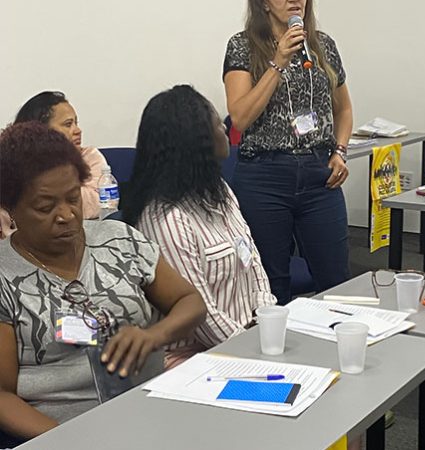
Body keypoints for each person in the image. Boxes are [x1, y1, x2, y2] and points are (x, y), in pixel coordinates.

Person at [0, 122, 207, 446]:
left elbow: (190, 301)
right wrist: (72, 440)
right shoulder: (4, 276)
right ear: (10, 208)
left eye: (73, 198)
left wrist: (155, 334)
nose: (66, 215)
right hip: (66, 432)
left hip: (152, 413)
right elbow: (2, 396)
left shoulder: (118, 240)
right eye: (45, 207)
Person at [122, 85, 277, 368]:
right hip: (195, 358)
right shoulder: (167, 219)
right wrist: (253, 351)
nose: (224, 128)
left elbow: (253, 262)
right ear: (195, 141)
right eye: (216, 123)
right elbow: (201, 317)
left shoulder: (219, 191)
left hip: (247, 338)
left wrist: (267, 321)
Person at [223, 0, 353, 304]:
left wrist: (340, 150)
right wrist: (278, 61)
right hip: (264, 176)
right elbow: (240, 118)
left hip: (320, 175)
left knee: (336, 278)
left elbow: (344, 109)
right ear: (264, 3)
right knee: (271, 283)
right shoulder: (242, 46)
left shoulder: (323, 45)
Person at [0, 91, 108, 240]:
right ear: (41, 130)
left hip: (83, 238)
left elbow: (97, 203)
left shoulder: (89, 157)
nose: (78, 130)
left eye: (76, 123)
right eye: (68, 124)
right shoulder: (9, 166)